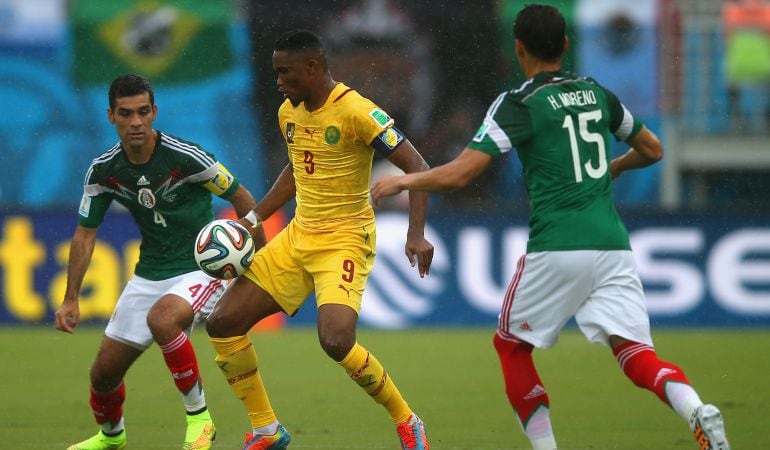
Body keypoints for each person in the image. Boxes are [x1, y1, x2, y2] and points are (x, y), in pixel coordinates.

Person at [371, 5, 731, 450]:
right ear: (565, 45)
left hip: (557, 245)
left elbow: (461, 174)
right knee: (635, 353)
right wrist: (613, 168)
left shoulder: (520, 103)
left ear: (518, 48)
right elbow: (653, 148)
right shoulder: (597, 94)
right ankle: (695, 408)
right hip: (613, 246)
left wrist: (404, 179)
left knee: (511, 346)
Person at [204, 29, 434, 450]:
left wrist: (415, 233)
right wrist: (254, 217)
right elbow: (297, 170)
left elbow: (416, 164)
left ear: (313, 68)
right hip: (298, 236)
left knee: (336, 340)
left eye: (284, 72)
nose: (278, 81)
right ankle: (266, 429)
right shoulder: (288, 112)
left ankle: (407, 420)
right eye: (276, 72)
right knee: (222, 323)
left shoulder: (357, 112)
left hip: (345, 239)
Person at [54, 74, 258, 450]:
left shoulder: (187, 157)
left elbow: (244, 200)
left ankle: (200, 419)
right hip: (150, 274)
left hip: (202, 267)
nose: (136, 122)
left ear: (154, 112)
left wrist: (253, 257)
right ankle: (112, 438)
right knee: (103, 374)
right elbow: (85, 233)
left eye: (143, 112)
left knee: (163, 320)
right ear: (111, 116)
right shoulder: (104, 171)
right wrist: (70, 298)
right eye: (126, 113)